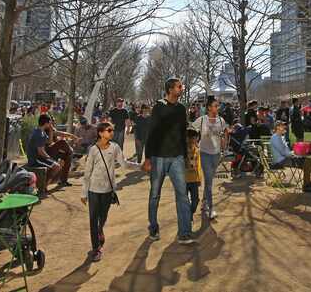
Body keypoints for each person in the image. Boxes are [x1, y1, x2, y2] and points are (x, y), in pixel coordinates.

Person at [143, 77, 194, 245]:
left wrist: (186, 157)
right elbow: (152, 132)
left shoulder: (181, 109)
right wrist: (148, 158)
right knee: (154, 195)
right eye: (179, 87)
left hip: (177, 157)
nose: (182, 88)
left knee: (182, 195)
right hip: (158, 157)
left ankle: (184, 233)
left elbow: (182, 133)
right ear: (170, 89)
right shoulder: (158, 107)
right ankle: (153, 228)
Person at [80, 122, 136, 262]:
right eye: (109, 130)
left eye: (112, 130)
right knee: (93, 219)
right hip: (93, 189)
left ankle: (100, 230)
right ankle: (96, 248)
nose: (112, 132)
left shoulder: (115, 147)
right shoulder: (93, 150)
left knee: (102, 217)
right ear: (100, 133)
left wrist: (141, 167)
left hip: (107, 190)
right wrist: (84, 193)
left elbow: (124, 164)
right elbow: (87, 172)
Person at [191, 96, 227, 219]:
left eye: (218, 106)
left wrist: (223, 149)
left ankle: (204, 202)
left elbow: (224, 134)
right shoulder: (201, 120)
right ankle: (210, 208)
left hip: (216, 154)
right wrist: (194, 144)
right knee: (209, 182)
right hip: (204, 153)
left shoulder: (221, 120)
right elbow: (191, 130)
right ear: (209, 107)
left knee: (209, 181)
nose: (217, 108)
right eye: (215, 106)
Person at [269, 122, 311, 192]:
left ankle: (308, 183)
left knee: (307, 159)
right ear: (277, 127)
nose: (285, 127)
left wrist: (294, 152)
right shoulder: (276, 138)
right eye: (282, 126)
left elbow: (285, 151)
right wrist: (294, 153)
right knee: (307, 161)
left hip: (285, 158)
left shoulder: (279, 137)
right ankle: (306, 185)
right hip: (281, 161)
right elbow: (284, 153)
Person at [26, 114, 71, 187]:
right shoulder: (39, 134)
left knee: (58, 163)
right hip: (35, 159)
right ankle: (44, 186)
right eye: (50, 122)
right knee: (57, 166)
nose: (51, 124)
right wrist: (51, 158)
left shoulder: (40, 131)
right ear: (46, 123)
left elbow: (49, 142)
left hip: (38, 157)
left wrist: (51, 130)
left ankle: (45, 184)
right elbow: (41, 151)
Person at [184, 129, 202, 220]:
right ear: (189, 138)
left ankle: (190, 213)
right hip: (184, 180)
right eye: (195, 138)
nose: (197, 140)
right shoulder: (182, 151)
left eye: (196, 138)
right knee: (184, 201)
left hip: (194, 180)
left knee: (196, 200)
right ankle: (187, 216)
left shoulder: (197, 150)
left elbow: (198, 166)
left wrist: (199, 179)